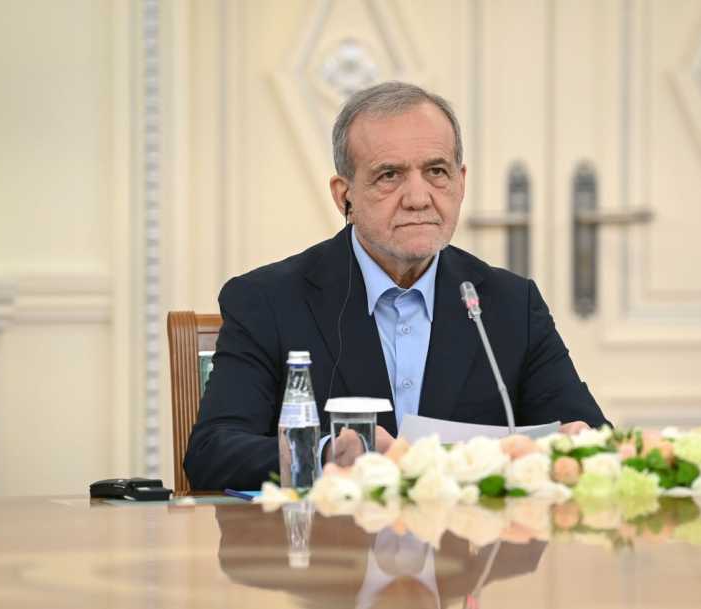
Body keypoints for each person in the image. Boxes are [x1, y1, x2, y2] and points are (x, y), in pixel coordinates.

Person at [184, 81, 610, 491]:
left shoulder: (510, 305)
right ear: (344, 195)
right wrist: (326, 454)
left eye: (437, 172)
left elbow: (589, 437)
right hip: (332, 539)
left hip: (469, 540)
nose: (418, 198)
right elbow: (212, 452)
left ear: (461, 182)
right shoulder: (268, 301)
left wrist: (576, 442)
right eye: (389, 175)